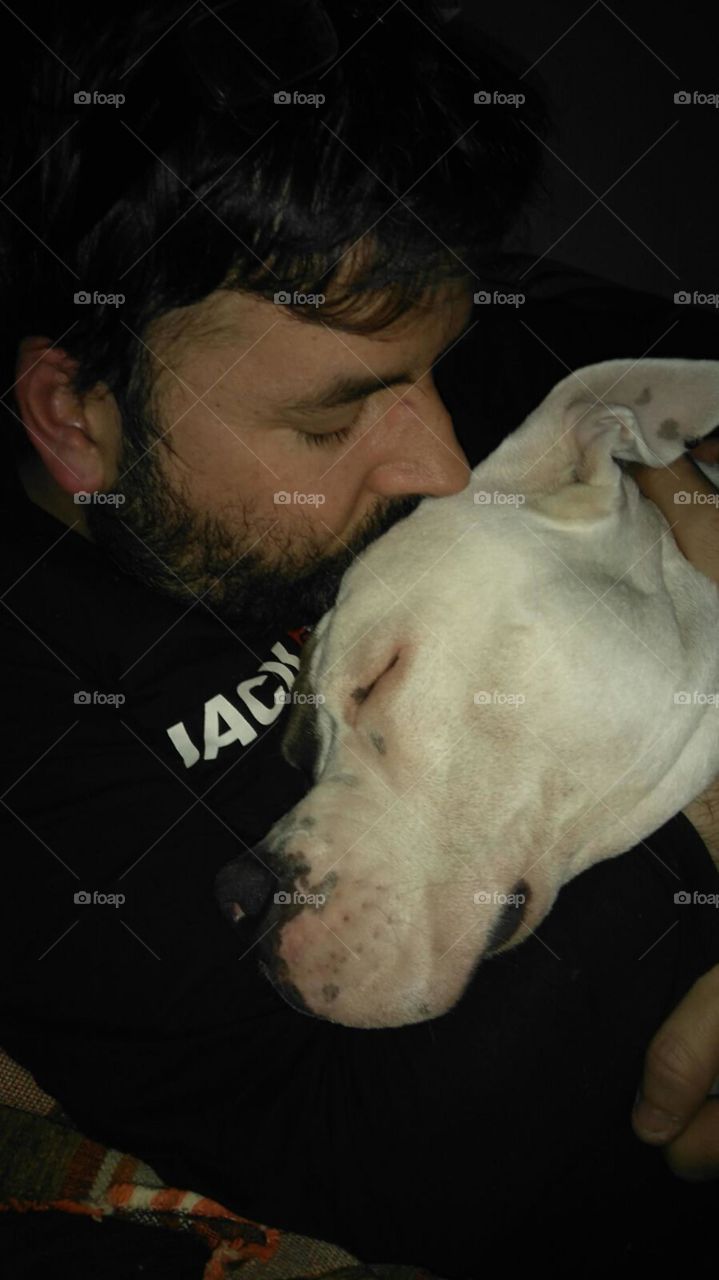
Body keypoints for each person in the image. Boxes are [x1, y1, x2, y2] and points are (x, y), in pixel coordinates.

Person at [0, 2, 716, 1275]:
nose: (440, 462)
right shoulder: (31, 729)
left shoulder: (469, 381)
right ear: (73, 417)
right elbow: (371, 1154)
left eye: (438, 366)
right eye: (331, 425)